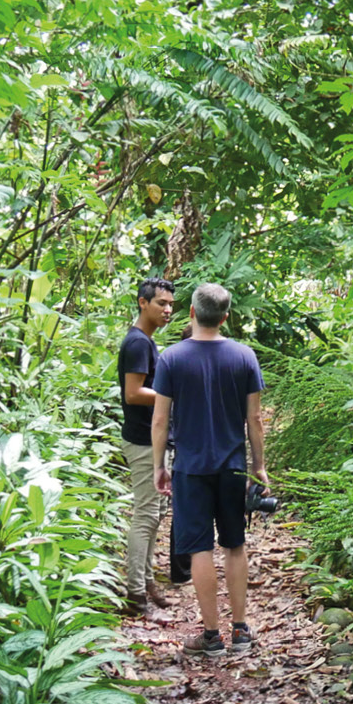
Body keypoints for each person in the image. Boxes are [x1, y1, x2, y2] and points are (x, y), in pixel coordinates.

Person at [150, 283, 267, 659]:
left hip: (190, 466)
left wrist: (159, 466)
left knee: (199, 547)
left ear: (192, 313)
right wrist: (259, 467)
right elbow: (255, 419)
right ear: (226, 317)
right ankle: (241, 631)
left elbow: (160, 419)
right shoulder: (244, 356)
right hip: (232, 466)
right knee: (235, 544)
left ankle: (212, 636)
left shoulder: (171, 358)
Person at [117, 279, 176, 612]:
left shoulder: (146, 341)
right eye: (161, 304)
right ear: (142, 303)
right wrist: (173, 394)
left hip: (152, 437)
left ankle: (147, 580)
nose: (167, 310)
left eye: (170, 305)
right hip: (142, 440)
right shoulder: (138, 343)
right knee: (145, 515)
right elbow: (133, 393)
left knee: (155, 514)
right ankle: (135, 594)